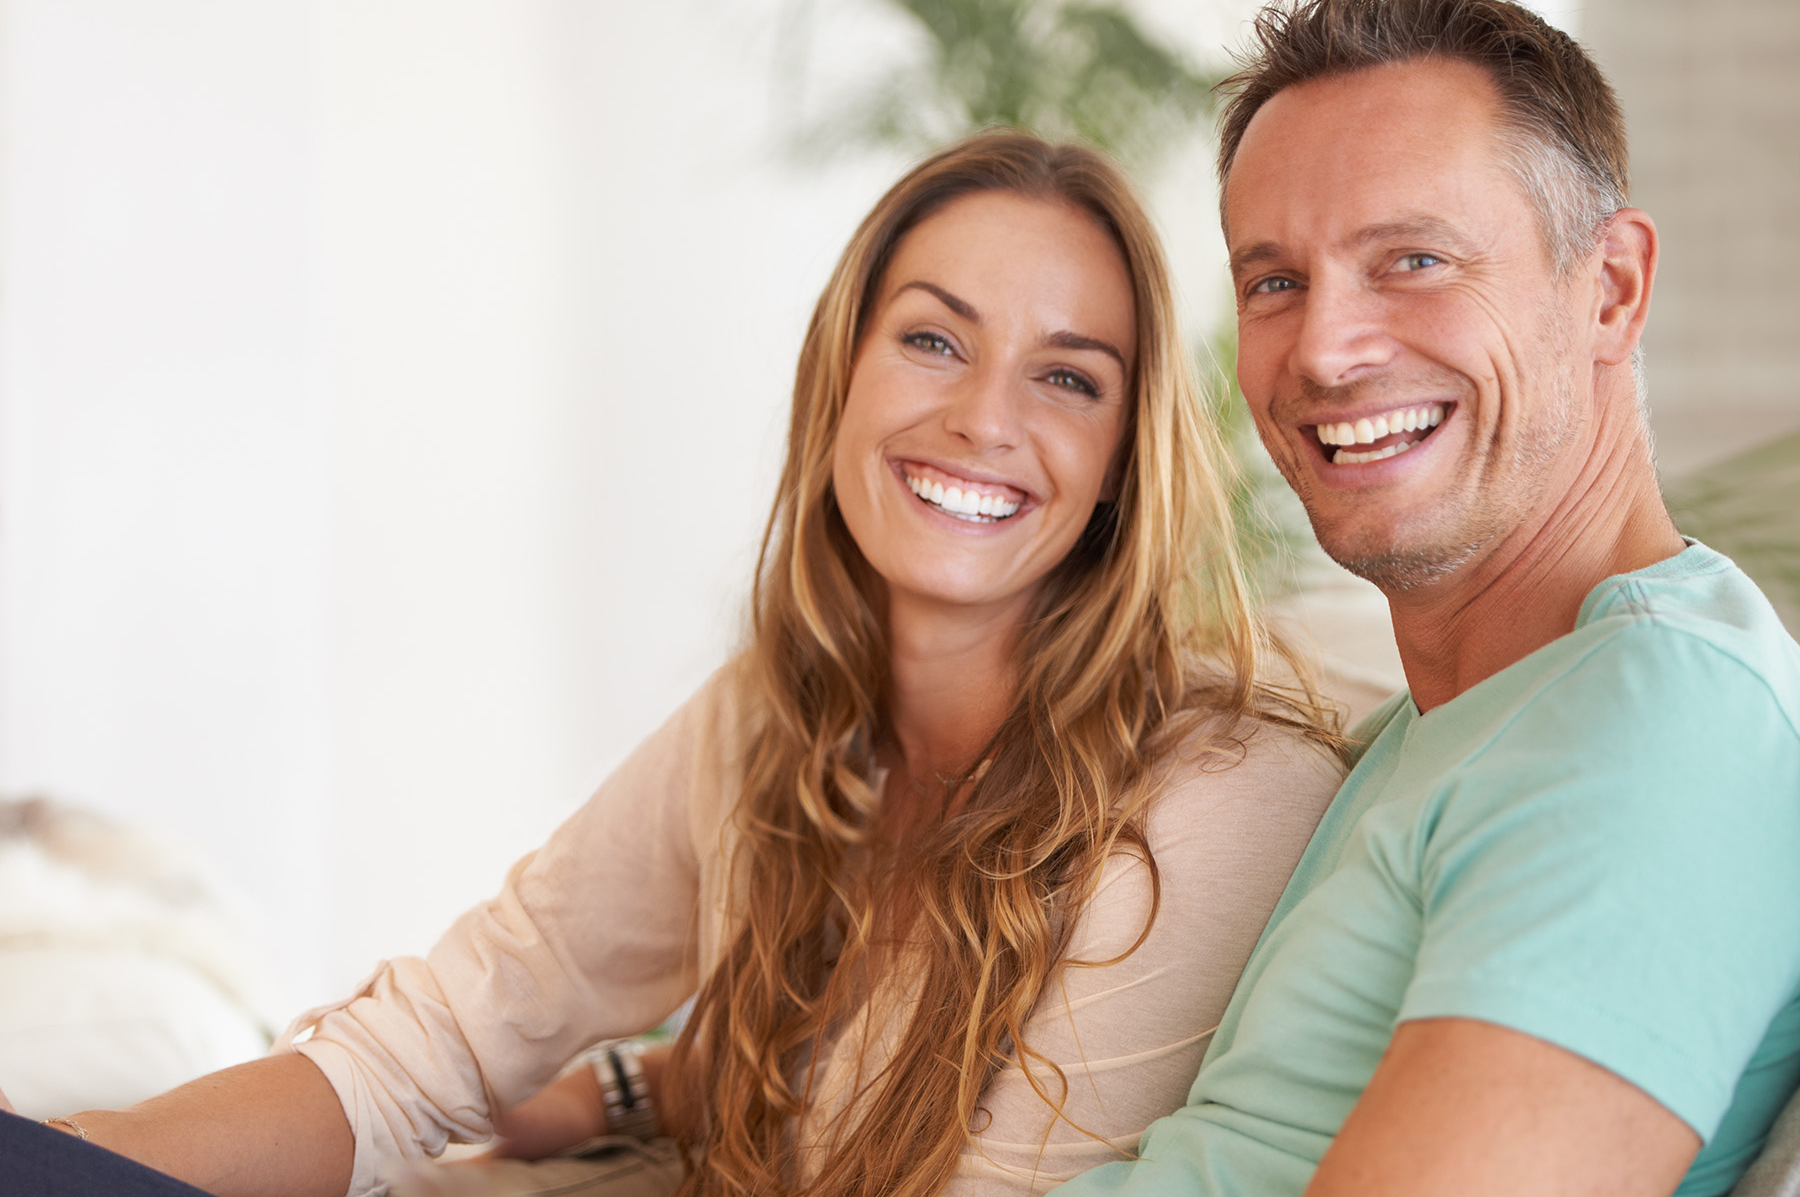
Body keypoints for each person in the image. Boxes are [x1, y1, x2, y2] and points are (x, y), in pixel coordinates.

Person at [2, 131, 1345, 1197]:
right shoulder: (782, 715)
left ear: (1120, 464)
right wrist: (73, 1158)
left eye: (1068, 378)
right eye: (933, 338)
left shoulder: (1212, 795)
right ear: (842, 375)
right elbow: (433, 1041)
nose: (982, 417)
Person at [1050, 0, 1800, 1197]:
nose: (1325, 349)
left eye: (1413, 258)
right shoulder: (1461, 717)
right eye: (1275, 281)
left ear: (1611, 290)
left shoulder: (1661, 716)